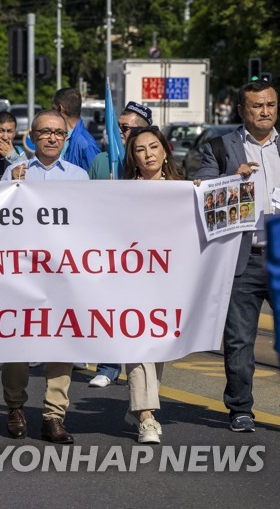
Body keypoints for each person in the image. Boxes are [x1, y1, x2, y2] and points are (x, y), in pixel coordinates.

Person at [194, 80, 278, 433]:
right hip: (242, 258)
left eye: (271, 105)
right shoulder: (220, 146)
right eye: (257, 106)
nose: (265, 112)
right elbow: (200, 192)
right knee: (240, 339)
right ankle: (240, 408)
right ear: (242, 110)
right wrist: (233, 178)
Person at [1, 110, 88, 444]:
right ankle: (15, 407)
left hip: (63, 274)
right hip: (21, 273)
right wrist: (13, 189)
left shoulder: (79, 177)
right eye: (46, 132)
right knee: (15, 344)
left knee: (61, 343)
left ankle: (54, 415)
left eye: (59, 133)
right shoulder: (13, 172)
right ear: (32, 136)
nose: (53, 138)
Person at [118, 125, 184, 443]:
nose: (148, 154)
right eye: (140, 149)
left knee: (157, 345)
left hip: (170, 280)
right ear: (133, 157)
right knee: (137, 340)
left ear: (165, 151)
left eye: (153, 147)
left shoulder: (183, 190)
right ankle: (146, 416)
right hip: (133, 279)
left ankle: (140, 404)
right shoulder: (123, 192)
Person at [85, 101, 153, 388]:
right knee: (108, 307)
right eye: (117, 127)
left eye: (125, 128)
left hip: (143, 251)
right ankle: (108, 365)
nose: (119, 132)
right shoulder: (102, 161)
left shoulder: (151, 160)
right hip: (108, 250)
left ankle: (140, 361)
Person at [51, 88, 99, 171]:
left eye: (52, 109)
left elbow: (93, 180)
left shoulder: (86, 144)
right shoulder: (67, 137)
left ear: (60, 108)